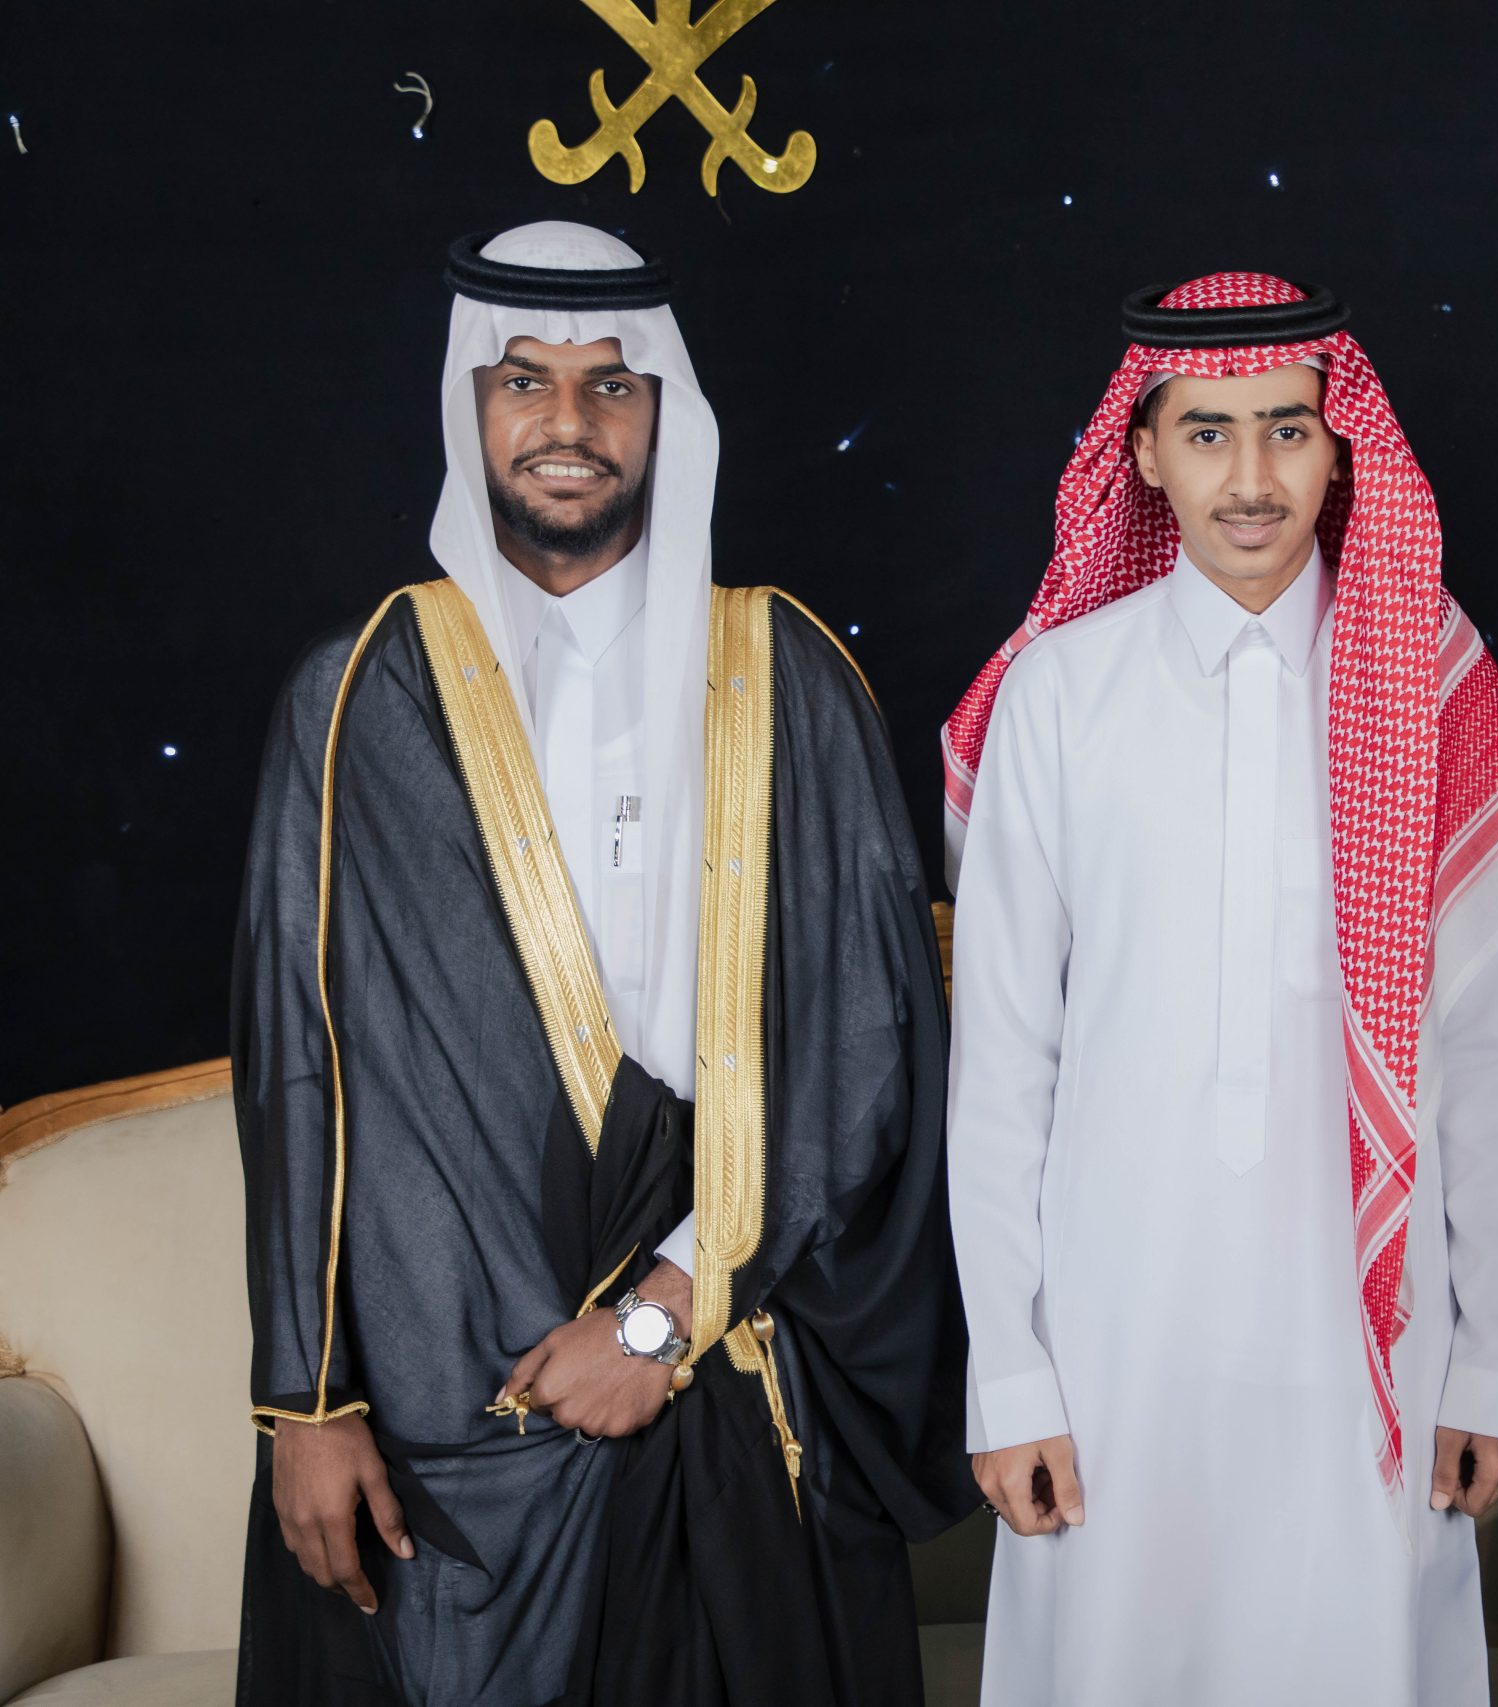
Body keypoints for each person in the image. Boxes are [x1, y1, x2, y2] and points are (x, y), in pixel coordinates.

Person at [232, 221, 973, 1707]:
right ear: (471, 404)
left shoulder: (787, 676)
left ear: (664, 412)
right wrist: (305, 1404)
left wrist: (666, 1310)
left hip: (735, 1358)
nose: (566, 421)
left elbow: (867, 1046)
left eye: (609, 385)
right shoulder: (360, 696)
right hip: (445, 1410)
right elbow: (299, 1069)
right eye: (523, 380)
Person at [941, 274, 1498, 1706]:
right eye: (1207, 432)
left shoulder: (1432, 689)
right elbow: (1004, 1074)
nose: (1249, 478)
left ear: (1340, 449)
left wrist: (1489, 1369)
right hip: (1114, 1341)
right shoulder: (1060, 693)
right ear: (1143, 452)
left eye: (1287, 430)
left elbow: (1488, 1070)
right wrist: (1010, 1376)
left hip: (1367, 1349)